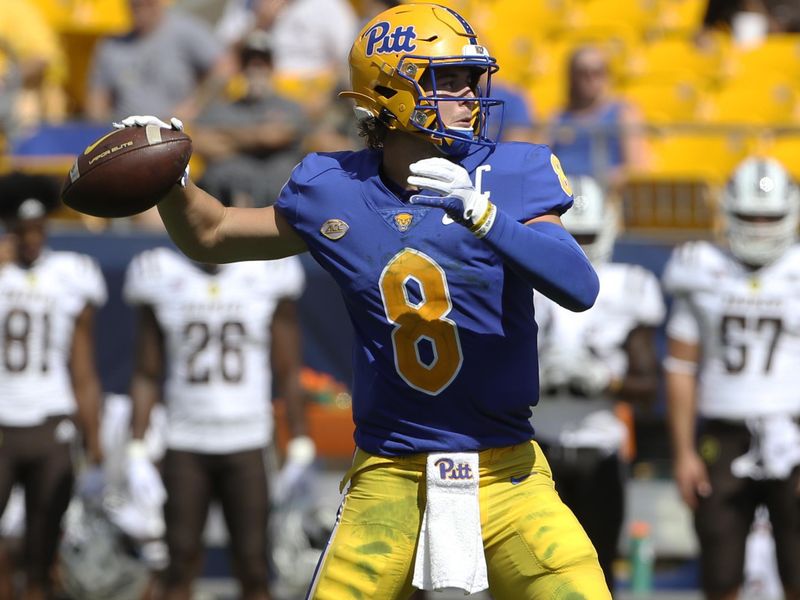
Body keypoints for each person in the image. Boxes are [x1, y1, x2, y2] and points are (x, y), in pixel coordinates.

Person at [110, 3, 610, 598]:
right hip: (389, 476)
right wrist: (171, 180)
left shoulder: (511, 173)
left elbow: (579, 286)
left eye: (470, 78)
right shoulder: (335, 189)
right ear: (390, 92)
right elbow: (214, 233)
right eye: (445, 79)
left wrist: (484, 216)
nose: (469, 94)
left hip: (507, 473)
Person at [122, 245, 311, 600]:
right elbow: (147, 372)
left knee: (254, 565)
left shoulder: (266, 274)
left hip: (247, 441)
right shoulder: (160, 274)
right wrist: (136, 447)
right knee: (178, 563)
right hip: (185, 441)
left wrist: (300, 442)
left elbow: (288, 368)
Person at [662, 156, 800, 600]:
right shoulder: (700, 266)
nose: (760, 226)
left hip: (794, 433)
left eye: (770, 216)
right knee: (720, 575)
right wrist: (684, 452)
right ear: (728, 213)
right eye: (749, 216)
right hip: (722, 435)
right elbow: (680, 368)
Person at [534, 175, 665, 592]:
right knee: (531, 570)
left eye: (586, 235)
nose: (579, 247)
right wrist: (533, 378)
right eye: (571, 235)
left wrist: (606, 381)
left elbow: (649, 388)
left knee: (597, 566)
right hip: (535, 448)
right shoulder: (525, 281)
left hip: (600, 446)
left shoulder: (628, 284)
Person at [0, 173, 107, 599]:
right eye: (21, 231)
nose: (30, 240)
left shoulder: (71, 273)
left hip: (51, 416)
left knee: (45, 547)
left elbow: (82, 366)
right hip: (3, 418)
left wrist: (94, 436)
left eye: (37, 229)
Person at [192, 29, 307, 208]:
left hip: (280, 200)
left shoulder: (289, 107)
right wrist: (256, 136)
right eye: (248, 62)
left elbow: (274, 136)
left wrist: (227, 138)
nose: (255, 68)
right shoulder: (223, 107)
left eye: (262, 62)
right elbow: (202, 143)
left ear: (271, 66)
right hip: (230, 202)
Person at [85, 0, 234, 123]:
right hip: (127, 139)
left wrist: (192, 107)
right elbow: (97, 100)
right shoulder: (112, 46)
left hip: (173, 133)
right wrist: (102, 129)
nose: (140, 4)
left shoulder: (185, 31)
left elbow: (224, 67)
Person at [549, 45, 648, 192]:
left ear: (607, 75)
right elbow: (538, 161)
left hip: (606, 196)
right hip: (564, 196)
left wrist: (602, 184)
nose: (590, 78)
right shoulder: (558, 116)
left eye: (597, 72)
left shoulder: (623, 113)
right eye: (582, 72)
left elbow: (637, 167)